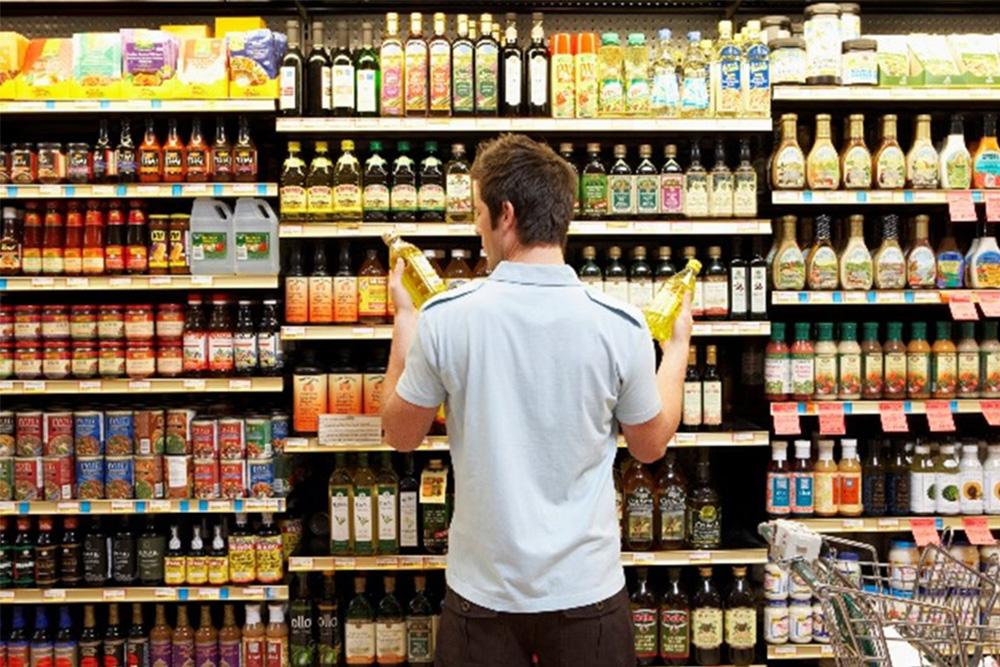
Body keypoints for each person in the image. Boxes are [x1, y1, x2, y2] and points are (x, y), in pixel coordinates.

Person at [380, 133, 692, 666]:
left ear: (504, 214)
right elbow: (650, 445)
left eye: (477, 214)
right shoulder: (619, 324)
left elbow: (401, 434)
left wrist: (405, 320)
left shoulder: (446, 319)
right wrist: (679, 345)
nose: (477, 229)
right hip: (586, 594)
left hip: (482, 596)